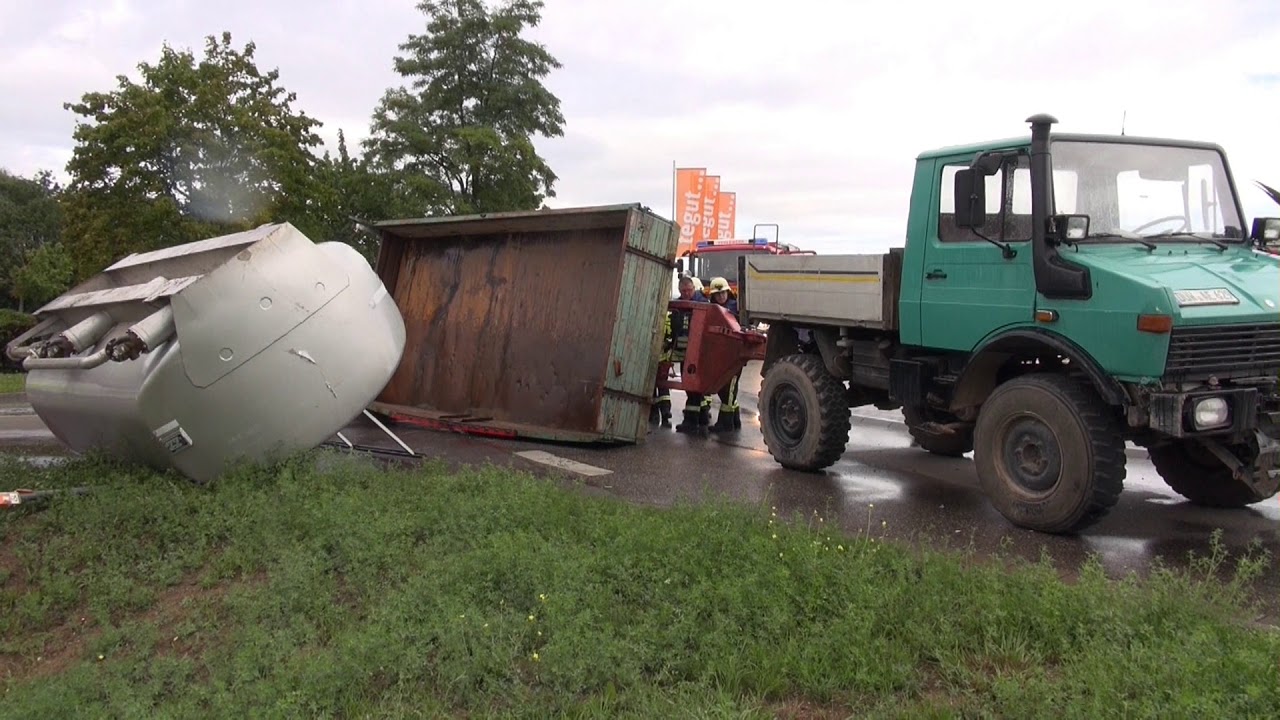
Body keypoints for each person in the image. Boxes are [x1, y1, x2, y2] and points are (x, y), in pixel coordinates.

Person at [653, 275, 709, 431]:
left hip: (698, 353)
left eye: (688, 290)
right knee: (690, 384)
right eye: (683, 291)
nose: (686, 293)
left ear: (693, 288)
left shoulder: (702, 304)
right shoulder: (679, 305)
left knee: (694, 385)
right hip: (686, 353)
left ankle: (692, 421)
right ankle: (699, 418)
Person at [705, 276, 743, 432]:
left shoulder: (735, 308)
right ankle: (734, 418)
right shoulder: (711, 309)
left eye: (723, 293)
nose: (721, 296)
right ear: (713, 295)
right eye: (717, 294)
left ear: (728, 292)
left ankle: (725, 423)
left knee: (730, 387)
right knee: (724, 387)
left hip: (734, 354)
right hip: (720, 354)